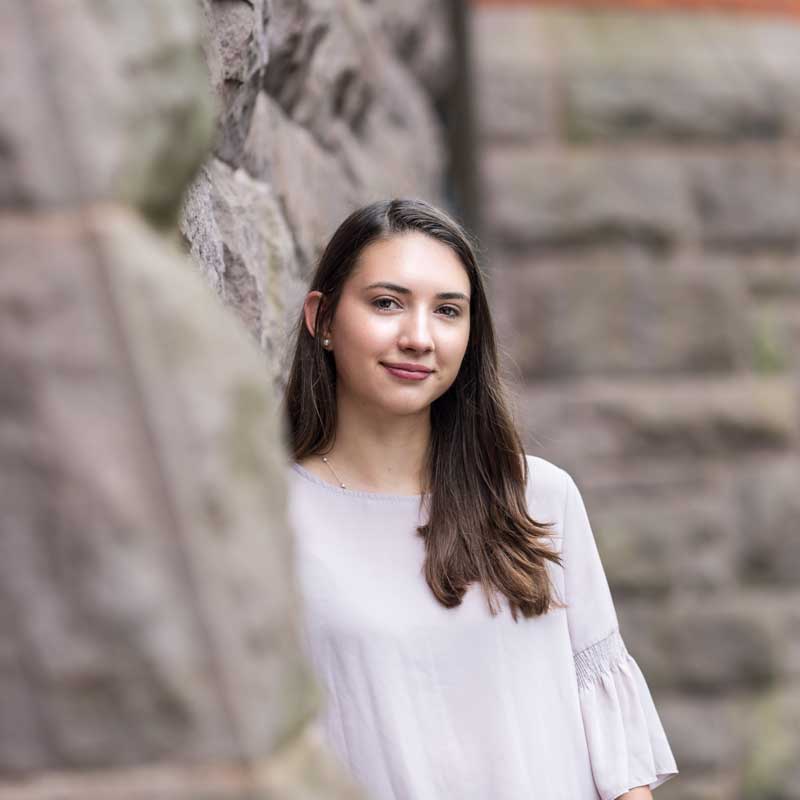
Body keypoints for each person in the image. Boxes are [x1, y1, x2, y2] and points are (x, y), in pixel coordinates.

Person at [280, 198, 678, 800]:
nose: (418, 337)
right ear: (323, 319)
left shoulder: (537, 498)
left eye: (447, 311)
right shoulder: (273, 518)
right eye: (387, 303)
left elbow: (620, 770)